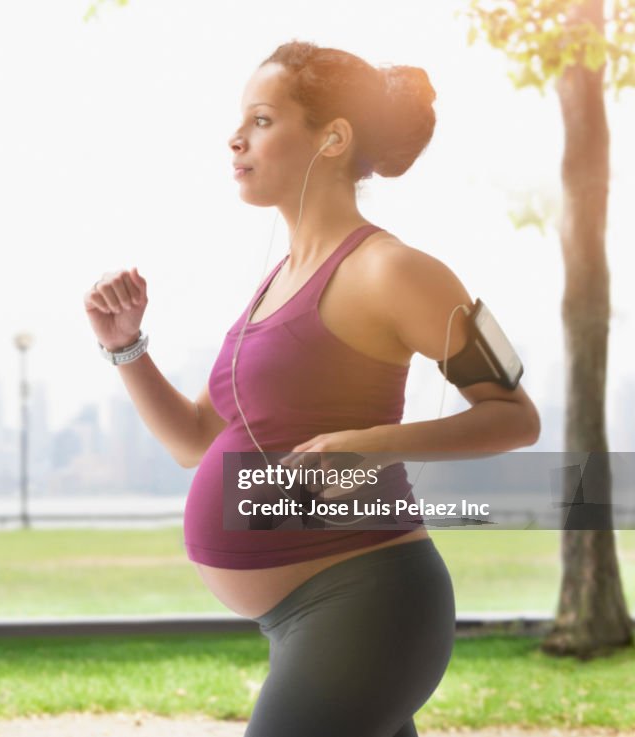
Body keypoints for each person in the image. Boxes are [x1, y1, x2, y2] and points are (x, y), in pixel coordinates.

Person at [83, 40, 540, 737]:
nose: (236, 137)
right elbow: (195, 441)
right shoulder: (274, 281)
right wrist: (125, 347)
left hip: (367, 604)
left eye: (263, 119)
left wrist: (371, 446)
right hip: (305, 618)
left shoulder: (396, 271)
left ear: (333, 138)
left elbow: (516, 415)